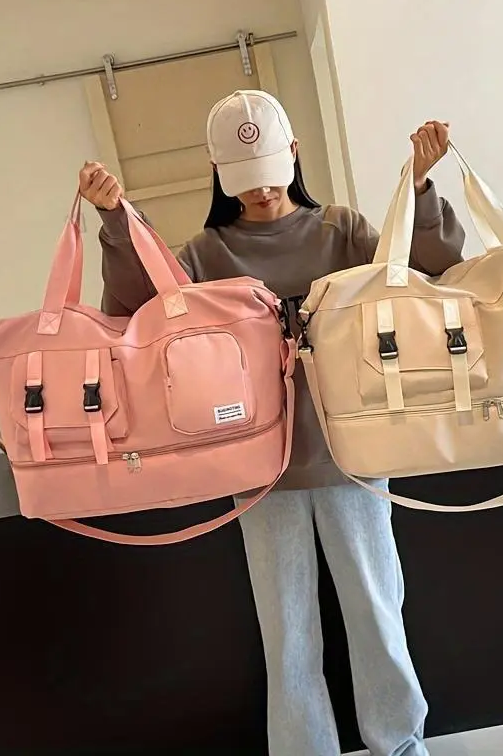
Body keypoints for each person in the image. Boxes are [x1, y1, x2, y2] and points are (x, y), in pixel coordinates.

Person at [79, 90, 465, 756]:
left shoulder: (342, 232)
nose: (260, 189)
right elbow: (132, 317)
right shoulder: (204, 255)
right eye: (242, 176)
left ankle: (401, 745)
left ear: (292, 151)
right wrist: (116, 220)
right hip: (257, 468)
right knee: (288, 636)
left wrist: (422, 186)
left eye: (268, 169)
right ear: (218, 171)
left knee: (378, 616)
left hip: (353, 454)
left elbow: (428, 275)